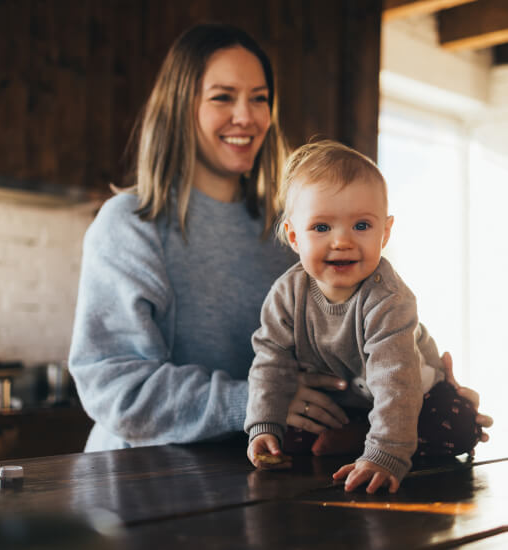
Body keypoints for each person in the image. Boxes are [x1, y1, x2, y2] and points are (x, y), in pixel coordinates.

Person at [69, 23, 491, 455]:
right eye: (222, 97)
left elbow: (365, 325)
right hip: (138, 477)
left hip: (260, 471)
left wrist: (428, 390)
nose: (246, 116)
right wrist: (256, 401)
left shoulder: (297, 228)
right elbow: (112, 385)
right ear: (180, 106)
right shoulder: (130, 225)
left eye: (259, 98)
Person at [245, 140, 489, 493]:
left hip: (412, 395)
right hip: (349, 401)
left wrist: (386, 454)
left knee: (458, 425)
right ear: (294, 237)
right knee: (290, 435)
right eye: (322, 227)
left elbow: (395, 382)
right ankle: (359, 434)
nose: (342, 241)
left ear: (385, 232)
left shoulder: (388, 299)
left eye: (361, 226)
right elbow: (270, 361)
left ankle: (376, 440)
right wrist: (264, 426)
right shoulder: (286, 295)